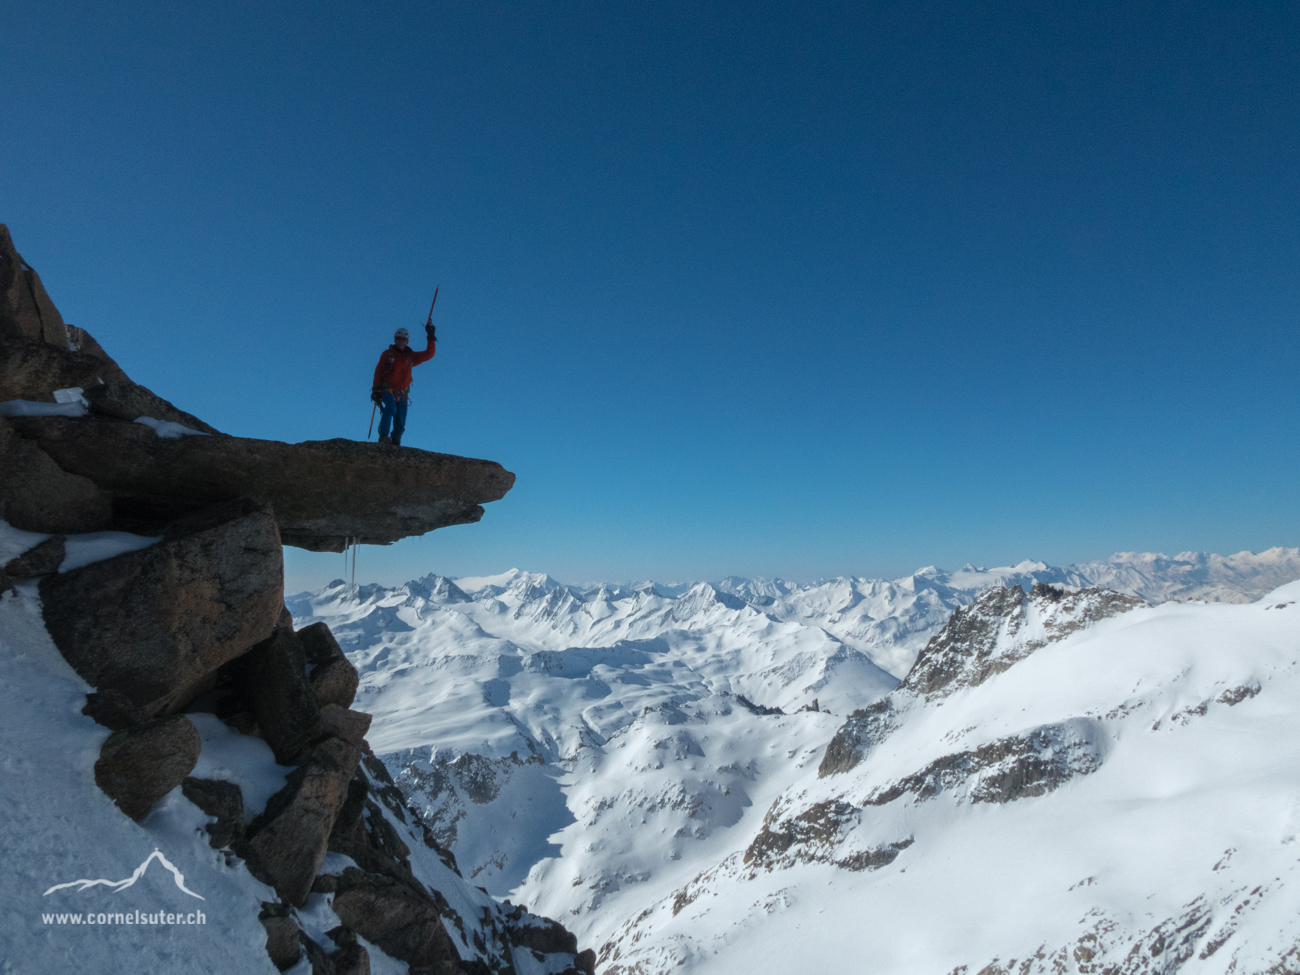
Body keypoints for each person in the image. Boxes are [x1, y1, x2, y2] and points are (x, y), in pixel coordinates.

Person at [371, 321, 436, 446]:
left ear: (407, 341)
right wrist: (376, 389)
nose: (401, 341)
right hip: (387, 389)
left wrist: (431, 336)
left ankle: (396, 439)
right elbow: (378, 371)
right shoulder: (387, 354)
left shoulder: (410, 357)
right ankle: (384, 436)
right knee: (391, 408)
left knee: (401, 416)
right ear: (395, 339)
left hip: (403, 392)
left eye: (404, 339)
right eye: (399, 339)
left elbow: (429, 354)